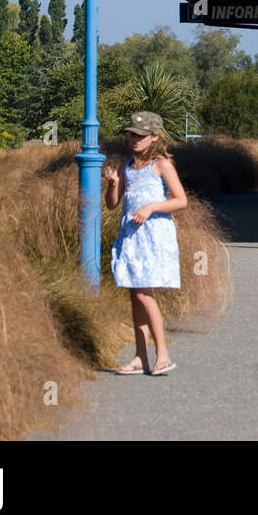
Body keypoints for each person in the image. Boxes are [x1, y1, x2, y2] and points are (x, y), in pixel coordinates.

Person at [104, 111, 187, 375]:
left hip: (153, 236)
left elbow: (180, 200)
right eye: (132, 134)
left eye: (140, 135)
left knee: (143, 293)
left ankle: (162, 354)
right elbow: (112, 204)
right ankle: (140, 356)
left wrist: (152, 207)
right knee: (134, 294)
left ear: (154, 137)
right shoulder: (126, 165)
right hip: (130, 237)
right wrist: (113, 184)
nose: (135, 139)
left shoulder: (161, 164)